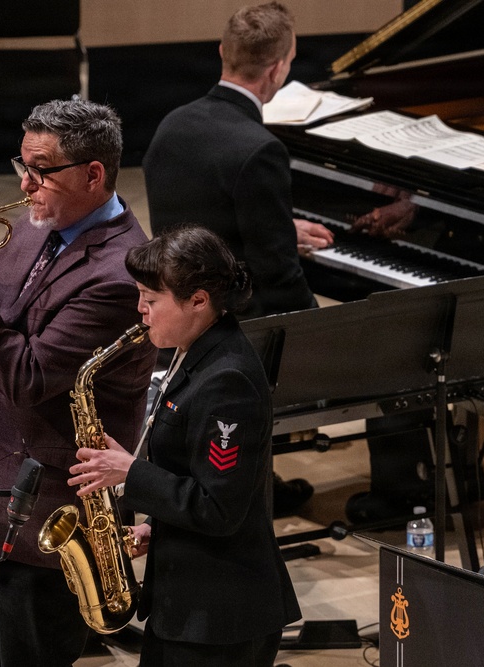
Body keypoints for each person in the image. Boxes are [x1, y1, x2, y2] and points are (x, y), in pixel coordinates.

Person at [0, 98, 157, 667]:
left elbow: (27, 374)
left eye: (41, 170)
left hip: (50, 516)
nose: (25, 183)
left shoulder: (119, 274)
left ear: (94, 174)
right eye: (22, 165)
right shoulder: (37, 222)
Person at [67, 226, 302, 667]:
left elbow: (220, 507)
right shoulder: (195, 350)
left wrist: (130, 472)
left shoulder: (228, 381)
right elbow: (200, 477)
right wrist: (157, 530)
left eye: (150, 300)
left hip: (221, 619)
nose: (141, 312)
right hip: (190, 606)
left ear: (198, 300)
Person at [142, 1, 330, 515]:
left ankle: (255, 477)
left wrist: (277, 223)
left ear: (223, 52)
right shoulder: (259, 148)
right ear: (279, 69)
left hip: (177, 305)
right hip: (237, 326)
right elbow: (277, 271)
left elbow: (196, 218)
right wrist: (323, 336)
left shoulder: (172, 125)